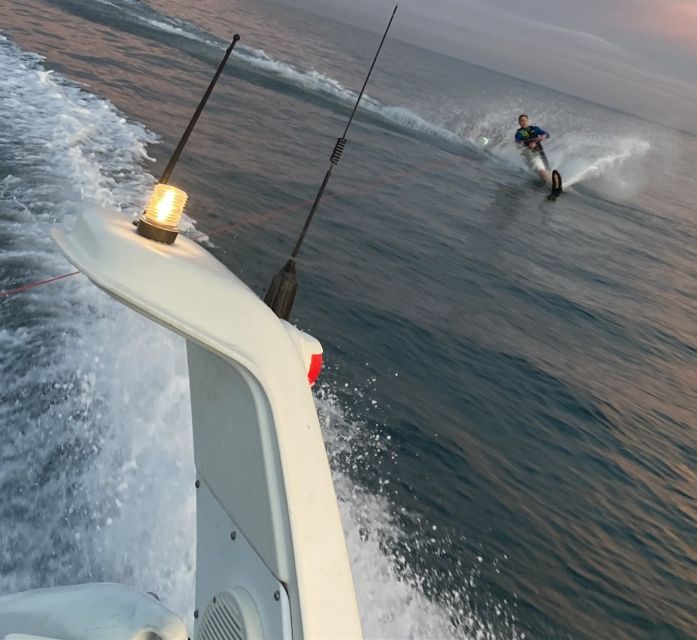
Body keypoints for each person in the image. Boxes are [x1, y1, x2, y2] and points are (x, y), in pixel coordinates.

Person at [515, 114, 550, 181]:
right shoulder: (518, 133)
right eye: (522, 121)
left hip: (539, 151)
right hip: (529, 153)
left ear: (528, 121)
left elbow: (547, 134)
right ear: (519, 122)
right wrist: (528, 145)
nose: (524, 122)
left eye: (525, 120)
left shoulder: (535, 129)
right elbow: (518, 143)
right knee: (541, 169)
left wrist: (543, 137)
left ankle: (551, 181)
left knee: (547, 169)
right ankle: (547, 180)